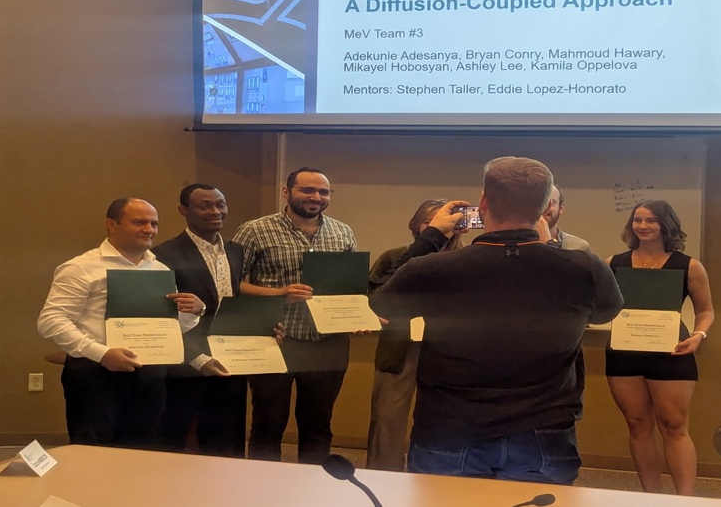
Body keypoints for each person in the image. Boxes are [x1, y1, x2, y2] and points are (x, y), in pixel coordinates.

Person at [371, 157, 623, 485]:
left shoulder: (433, 269)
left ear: (484, 202)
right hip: (544, 432)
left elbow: (382, 302)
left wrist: (431, 235)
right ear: (547, 206)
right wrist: (548, 249)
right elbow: (606, 311)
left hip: (448, 429)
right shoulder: (584, 267)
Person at [36, 198, 206, 449]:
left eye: (154, 224)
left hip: (149, 374)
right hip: (95, 374)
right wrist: (102, 353)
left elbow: (167, 328)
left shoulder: (159, 270)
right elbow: (51, 321)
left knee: (141, 452)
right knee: (92, 454)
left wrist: (193, 312)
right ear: (111, 225)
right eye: (139, 222)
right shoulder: (81, 268)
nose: (149, 230)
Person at [232, 166, 358, 464]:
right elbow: (231, 282)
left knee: (318, 425)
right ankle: (264, 490)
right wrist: (279, 294)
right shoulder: (254, 230)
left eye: (323, 192)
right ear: (287, 192)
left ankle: (312, 488)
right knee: (268, 423)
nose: (316, 197)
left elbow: (350, 288)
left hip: (328, 343)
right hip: (275, 339)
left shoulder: (343, 232)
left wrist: (358, 317)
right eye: (307, 190)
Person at [605, 199, 714, 496]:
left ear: (666, 224)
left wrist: (699, 335)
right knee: (637, 423)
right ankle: (650, 497)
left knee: (674, 424)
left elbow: (706, 311)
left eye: (651, 220)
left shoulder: (689, 265)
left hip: (673, 351)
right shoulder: (613, 263)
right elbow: (599, 305)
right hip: (623, 353)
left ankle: (685, 500)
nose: (643, 226)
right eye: (637, 220)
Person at [365, 199, 466, 471]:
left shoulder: (469, 260)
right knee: (388, 417)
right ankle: (383, 476)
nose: (440, 227)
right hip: (398, 347)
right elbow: (373, 297)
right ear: (417, 225)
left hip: (450, 351)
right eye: (429, 222)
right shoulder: (395, 256)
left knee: (446, 418)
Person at [152, 183, 247, 457]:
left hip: (231, 361)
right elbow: (164, 317)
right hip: (187, 364)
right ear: (184, 210)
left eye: (220, 204)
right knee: (174, 442)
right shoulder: (163, 254)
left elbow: (234, 303)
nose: (215, 211)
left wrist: (262, 328)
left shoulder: (235, 250)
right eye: (205, 205)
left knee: (226, 442)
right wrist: (198, 358)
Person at [541, 185, 592, 253]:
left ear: (561, 208)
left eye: (552, 202)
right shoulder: (522, 245)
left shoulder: (578, 247)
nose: (544, 207)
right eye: (540, 202)